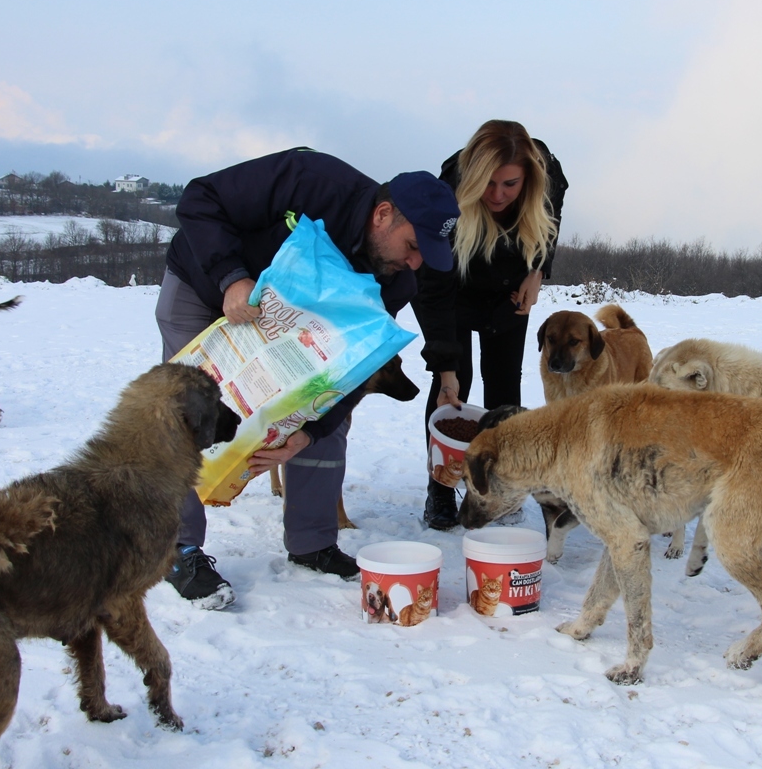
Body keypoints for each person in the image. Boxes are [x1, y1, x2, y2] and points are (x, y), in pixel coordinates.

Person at [157, 147, 459, 607]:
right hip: (210, 287)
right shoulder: (311, 179)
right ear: (383, 215)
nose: (415, 264)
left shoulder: (395, 281)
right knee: (184, 412)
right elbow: (200, 199)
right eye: (414, 247)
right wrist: (231, 278)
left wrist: (310, 430)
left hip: (292, 337)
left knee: (325, 424)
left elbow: (353, 365)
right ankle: (176, 549)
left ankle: (312, 542)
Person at [412, 120, 568, 530]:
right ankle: (441, 490)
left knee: (503, 387)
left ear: (529, 180)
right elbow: (433, 286)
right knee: (453, 387)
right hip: (453, 288)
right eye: (489, 184)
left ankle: (501, 485)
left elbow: (552, 217)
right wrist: (445, 368)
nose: (498, 195)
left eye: (510, 185)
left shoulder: (544, 175)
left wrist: (538, 269)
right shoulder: (448, 190)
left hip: (508, 291)